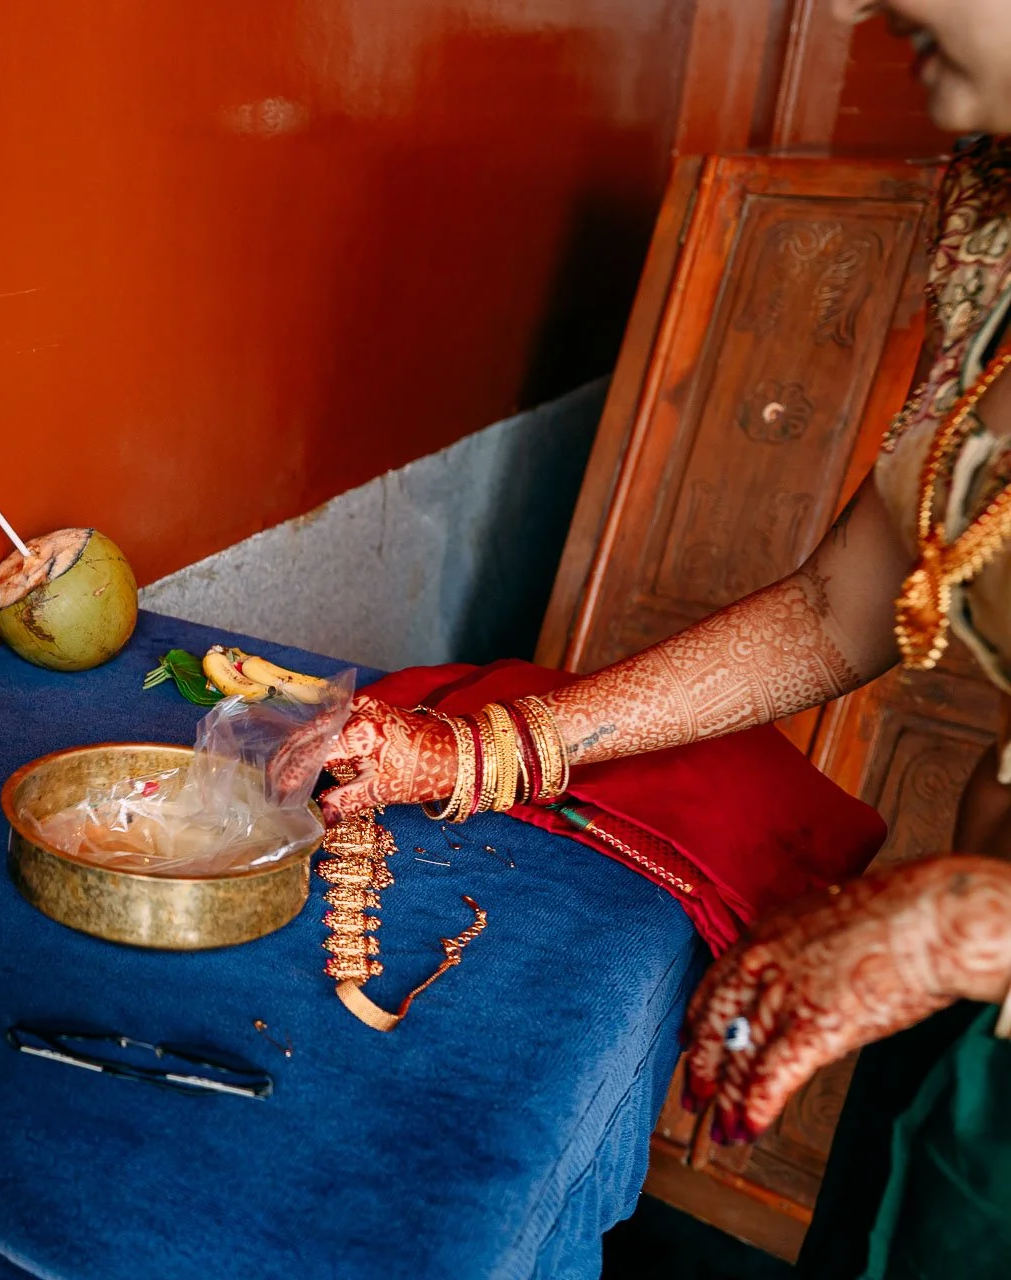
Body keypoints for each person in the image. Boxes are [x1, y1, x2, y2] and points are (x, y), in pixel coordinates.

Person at [318, 2, 1011, 1274]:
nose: (848, 8)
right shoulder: (1000, 244)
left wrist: (956, 923)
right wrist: (481, 750)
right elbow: (841, 605)